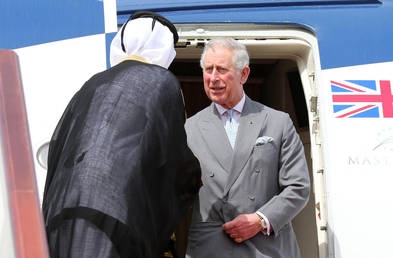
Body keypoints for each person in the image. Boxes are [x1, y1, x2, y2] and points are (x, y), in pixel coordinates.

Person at [42, 11, 202, 258]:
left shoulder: (93, 83)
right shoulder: (162, 81)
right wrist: (194, 173)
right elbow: (170, 155)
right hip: (118, 218)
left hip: (64, 210)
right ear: (164, 48)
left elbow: (59, 148)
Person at [184, 38, 310, 258]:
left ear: (244, 74)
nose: (213, 78)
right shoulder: (189, 128)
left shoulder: (277, 122)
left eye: (222, 70)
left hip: (267, 247)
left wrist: (260, 220)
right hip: (212, 248)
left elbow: (298, 187)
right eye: (208, 69)